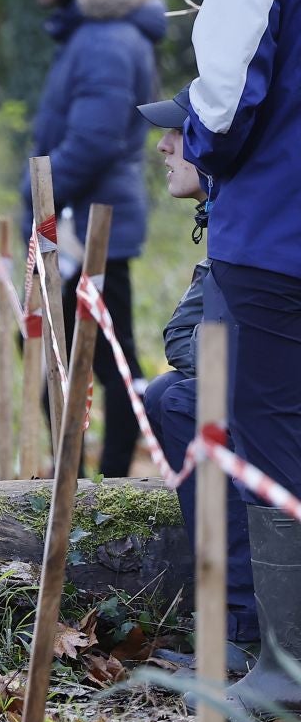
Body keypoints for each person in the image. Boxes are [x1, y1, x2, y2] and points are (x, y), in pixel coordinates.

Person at [180, 0, 301, 712]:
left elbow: (224, 100)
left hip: (274, 238)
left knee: (272, 439)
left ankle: (284, 670)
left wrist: (198, 155)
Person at [20, 0, 165, 476]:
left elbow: (95, 139)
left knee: (108, 361)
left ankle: (102, 491)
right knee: (67, 350)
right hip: (79, 222)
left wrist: (42, 202)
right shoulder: (90, 32)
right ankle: (80, 487)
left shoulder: (106, 39)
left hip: (90, 225)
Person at [136, 89, 256, 673]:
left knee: (182, 399)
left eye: (178, 133)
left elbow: (199, 347)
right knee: (167, 396)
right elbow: (194, 340)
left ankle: (244, 627)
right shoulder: (231, 207)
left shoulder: (250, 213)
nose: (162, 145)